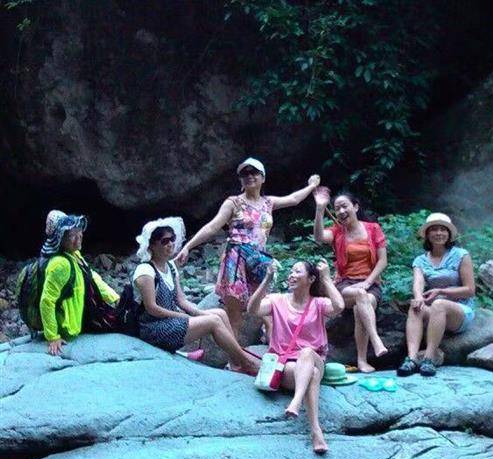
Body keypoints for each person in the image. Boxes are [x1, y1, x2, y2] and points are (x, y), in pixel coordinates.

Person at [174, 157, 321, 340]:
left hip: (258, 260)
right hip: (235, 260)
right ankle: (234, 355)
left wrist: (312, 185)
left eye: (254, 172)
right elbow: (212, 227)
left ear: (263, 177)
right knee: (235, 315)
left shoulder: (268, 203)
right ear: (240, 180)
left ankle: (276, 350)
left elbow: (293, 199)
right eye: (245, 173)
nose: (249, 176)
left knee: (266, 311)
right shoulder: (233, 203)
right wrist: (188, 247)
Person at [133, 217, 258, 374]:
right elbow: (152, 308)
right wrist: (183, 316)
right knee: (213, 321)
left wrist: (198, 313)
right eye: (164, 241)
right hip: (154, 328)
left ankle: (235, 361)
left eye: (172, 239)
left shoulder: (170, 267)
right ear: (152, 245)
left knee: (219, 313)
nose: (170, 244)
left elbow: (181, 300)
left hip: (170, 320)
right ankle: (247, 363)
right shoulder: (145, 271)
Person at [248, 259, 344, 454]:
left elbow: (339, 306)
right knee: (312, 374)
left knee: (307, 353)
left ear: (311, 279)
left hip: (314, 358)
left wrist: (326, 278)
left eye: (297, 272)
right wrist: (267, 279)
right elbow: (252, 310)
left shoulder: (318, 303)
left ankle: (296, 401)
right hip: (286, 364)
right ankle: (316, 431)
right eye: (291, 271)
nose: (291, 275)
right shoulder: (277, 300)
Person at [313, 189, 389, 372]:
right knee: (360, 295)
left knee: (361, 305)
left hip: (370, 284)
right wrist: (320, 209)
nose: (340, 211)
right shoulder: (337, 231)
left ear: (355, 207)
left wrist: (368, 282)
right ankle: (376, 340)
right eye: (337, 208)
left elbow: (383, 261)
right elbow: (319, 237)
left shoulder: (373, 229)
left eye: (344, 206)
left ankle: (362, 361)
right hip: (345, 284)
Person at [398, 213, 476, 377]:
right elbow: (418, 283)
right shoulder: (420, 260)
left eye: (443, 229)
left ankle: (429, 358)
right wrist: (418, 297)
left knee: (439, 304)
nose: (439, 233)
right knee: (415, 306)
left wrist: (441, 291)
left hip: (460, 311)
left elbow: (470, 290)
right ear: (427, 234)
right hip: (435, 311)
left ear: (449, 234)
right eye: (434, 229)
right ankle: (411, 359)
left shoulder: (461, 255)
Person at [39, 210, 120, 356]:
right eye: (72, 235)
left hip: (81, 316)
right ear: (60, 239)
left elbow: (91, 277)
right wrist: (52, 337)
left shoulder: (74, 255)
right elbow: (47, 301)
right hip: (69, 327)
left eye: (79, 232)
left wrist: (114, 298)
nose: (79, 236)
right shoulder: (60, 264)